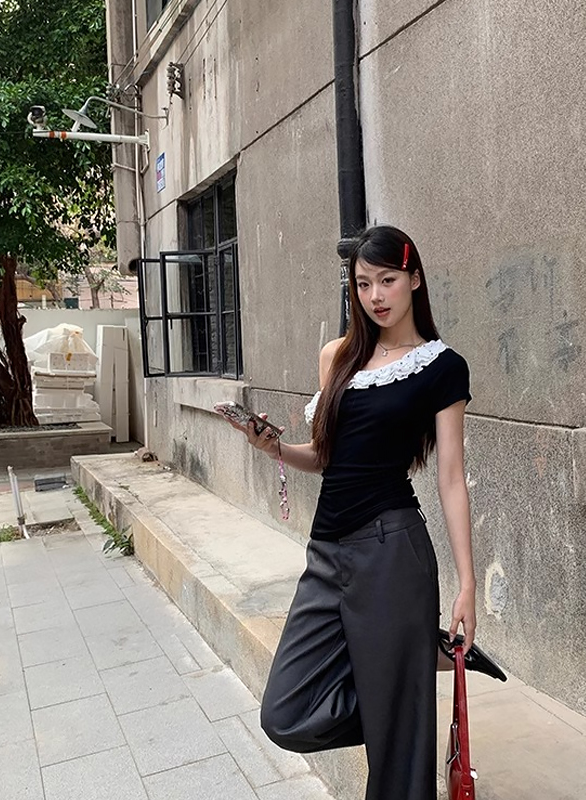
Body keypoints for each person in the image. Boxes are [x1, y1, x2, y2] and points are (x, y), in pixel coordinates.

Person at [223, 225, 504, 800]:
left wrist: (467, 584)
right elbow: (329, 457)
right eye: (363, 283)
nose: (376, 295)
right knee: (285, 712)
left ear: (414, 279)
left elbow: (451, 477)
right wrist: (274, 448)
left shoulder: (442, 367)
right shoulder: (340, 357)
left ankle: (405, 684)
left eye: (388, 280)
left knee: (398, 763)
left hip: (390, 551)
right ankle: (406, 680)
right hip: (327, 554)